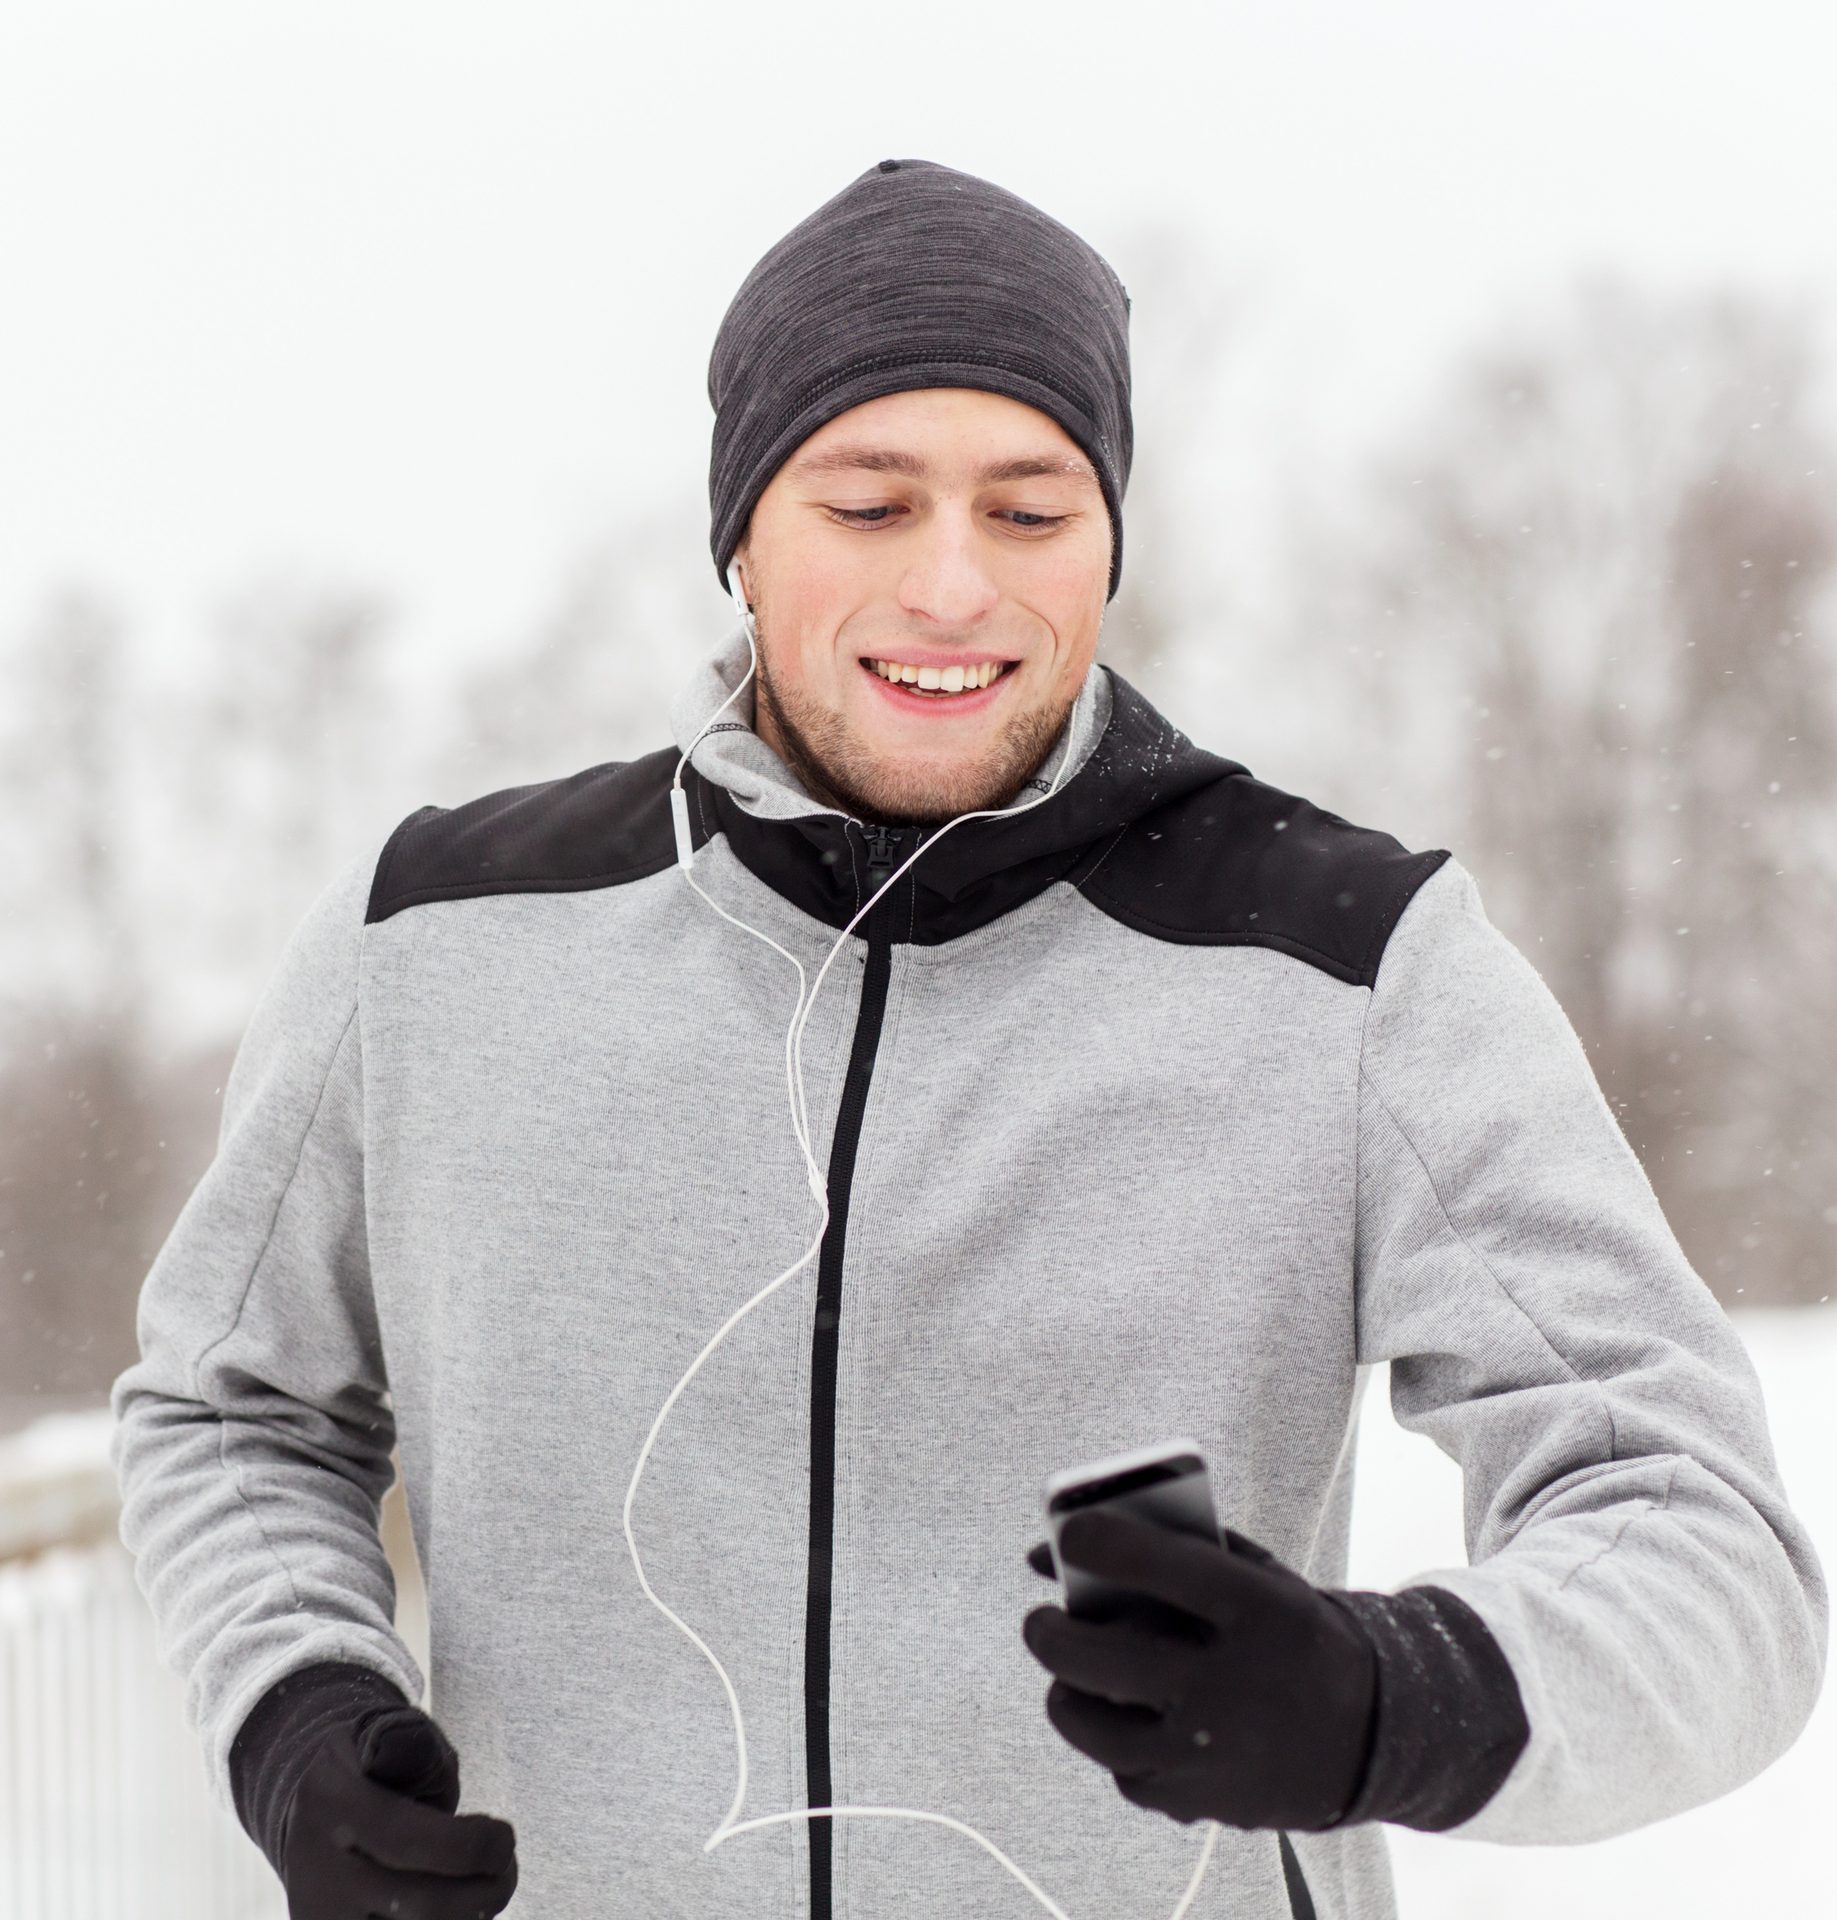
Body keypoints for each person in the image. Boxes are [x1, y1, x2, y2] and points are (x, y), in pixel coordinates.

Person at [109, 157, 1827, 1920]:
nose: (954, 588)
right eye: (866, 506)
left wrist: (1397, 1696)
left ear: (1105, 540)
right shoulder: (435, 942)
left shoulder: (1354, 970)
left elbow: (1707, 1548)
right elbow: (231, 1413)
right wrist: (296, 1718)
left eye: (1029, 510)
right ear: (741, 538)